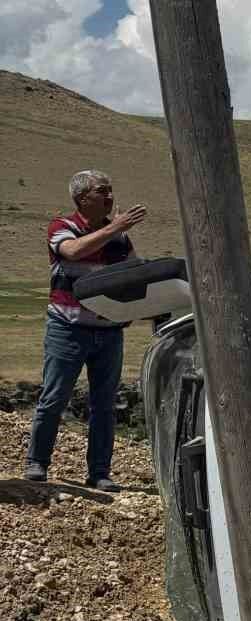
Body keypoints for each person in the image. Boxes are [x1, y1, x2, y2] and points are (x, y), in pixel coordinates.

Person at [24, 169, 145, 491]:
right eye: (102, 191)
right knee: (54, 397)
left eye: (110, 190)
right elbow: (74, 251)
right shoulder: (62, 227)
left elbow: (133, 274)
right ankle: (37, 463)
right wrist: (116, 227)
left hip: (109, 332)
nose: (110, 196)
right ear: (82, 198)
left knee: (104, 403)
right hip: (68, 328)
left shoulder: (119, 237)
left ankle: (99, 472)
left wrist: (133, 308)